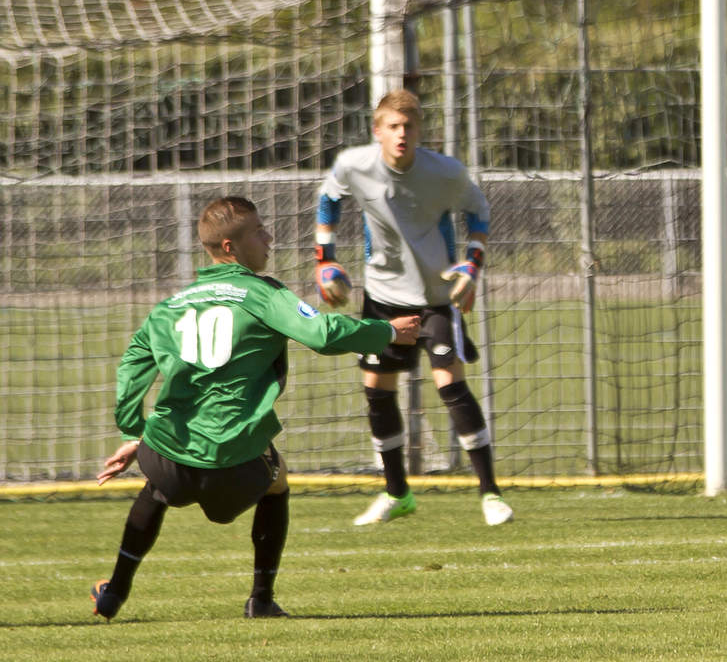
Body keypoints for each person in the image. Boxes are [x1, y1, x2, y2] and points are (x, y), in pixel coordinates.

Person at [90, 196, 421, 621]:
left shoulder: (171, 305)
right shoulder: (262, 294)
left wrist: (133, 434)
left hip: (169, 455)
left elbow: (132, 370)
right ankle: (261, 600)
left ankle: (114, 593)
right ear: (230, 247)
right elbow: (322, 333)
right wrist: (386, 331)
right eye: (259, 231)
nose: (270, 237)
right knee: (277, 482)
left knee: (157, 485)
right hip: (235, 461)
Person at [314, 89, 513, 527]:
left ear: (420, 130)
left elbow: (478, 210)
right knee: (377, 391)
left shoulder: (446, 173)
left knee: (450, 386)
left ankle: (491, 495)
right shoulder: (354, 164)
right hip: (382, 299)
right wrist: (325, 260)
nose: (402, 134)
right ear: (378, 131)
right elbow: (328, 199)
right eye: (394, 126)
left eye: (410, 126)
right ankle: (396, 493)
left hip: (436, 299)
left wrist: (472, 266)